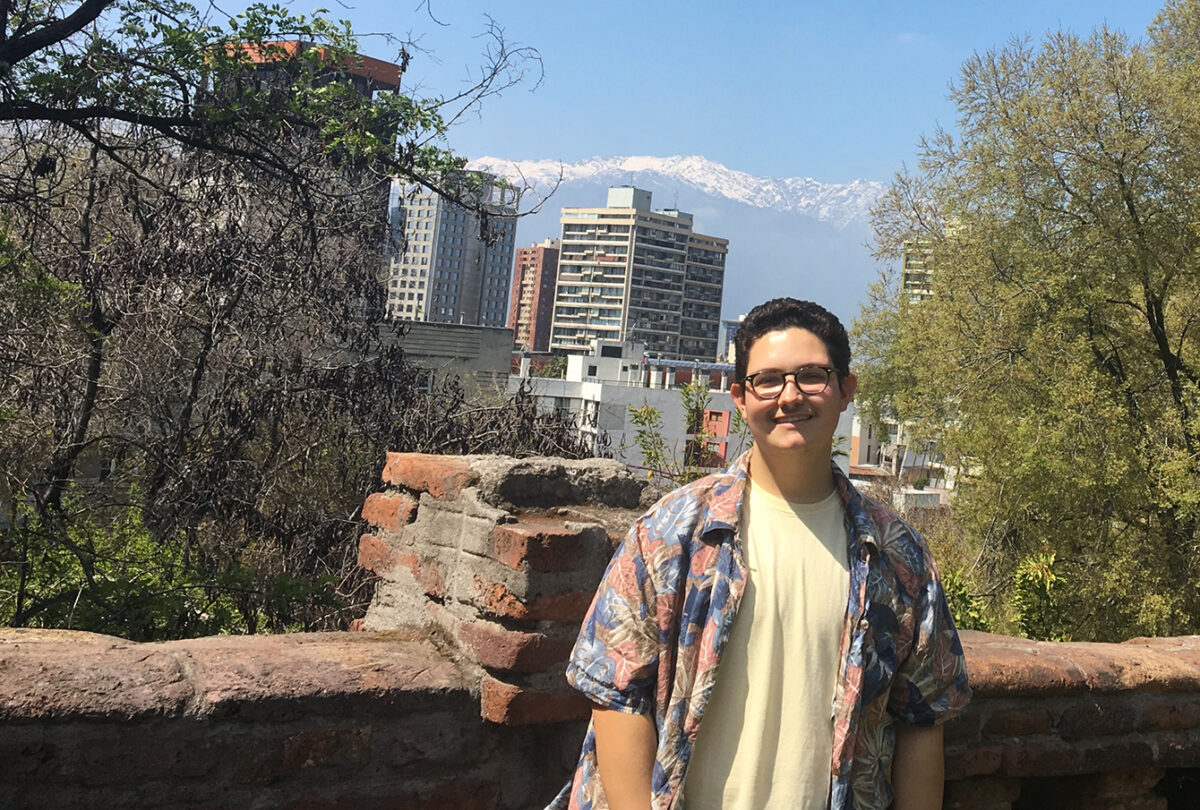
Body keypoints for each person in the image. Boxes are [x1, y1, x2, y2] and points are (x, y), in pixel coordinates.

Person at [546, 298, 970, 810]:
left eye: (812, 376)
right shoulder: (672, 533)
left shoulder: (897, 557)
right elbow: (615, 693)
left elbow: (923, 719)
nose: (789, 396)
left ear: (846, 391)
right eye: (768, 380)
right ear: (741, 398)